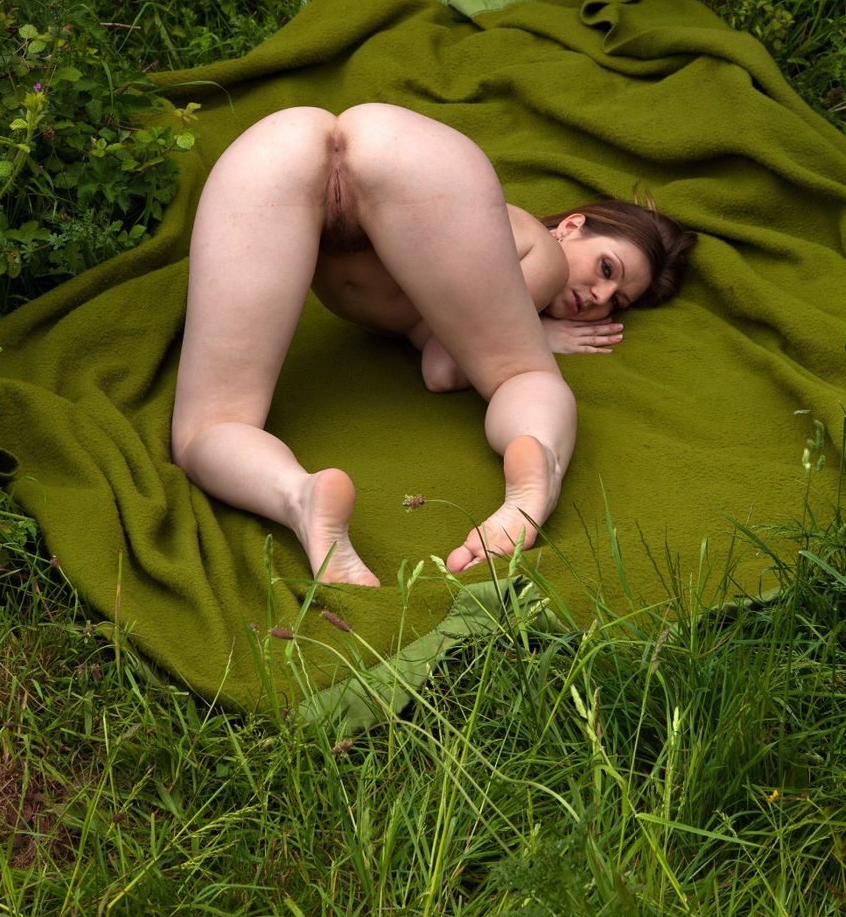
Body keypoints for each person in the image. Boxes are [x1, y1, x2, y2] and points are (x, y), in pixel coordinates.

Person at [171, 104, 695, 586]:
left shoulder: (493, 244)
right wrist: (536, 337)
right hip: (412, 159)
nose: (599, 296)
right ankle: (539, 465)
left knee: (212, 425)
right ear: (572, 226)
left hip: (275, 150)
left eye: (616, 302)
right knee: (523, 376)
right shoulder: (543, 256)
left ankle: (300, 496)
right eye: (607, 268)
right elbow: (443, 366)